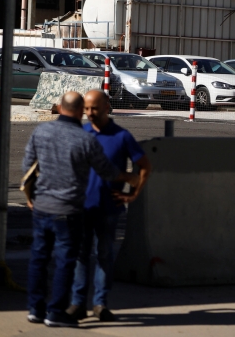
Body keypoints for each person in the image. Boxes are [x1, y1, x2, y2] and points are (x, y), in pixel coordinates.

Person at [23, 91, 139, 328]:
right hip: (68, 211)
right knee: (67, 260)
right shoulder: (84, 139)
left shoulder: (41, 131)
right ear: (79, 111)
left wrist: (30, 198)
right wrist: (130, 178)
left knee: (39, 258)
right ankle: (55, 312)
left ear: (59, 107)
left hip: (41, 208)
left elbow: (28, 170)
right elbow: (107, 171)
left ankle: (35, 309)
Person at [67, 90, 151, 323]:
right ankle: (77, 304)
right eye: (86, 109)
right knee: (80, 256)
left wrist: (134, 193)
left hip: (109, 209)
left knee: (104, 255)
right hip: (81, 208)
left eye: (94, 108)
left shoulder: (122, 136)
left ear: (107, 107)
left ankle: (100, 304)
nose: (90, 113)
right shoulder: (80, 133)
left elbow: (144, 166)